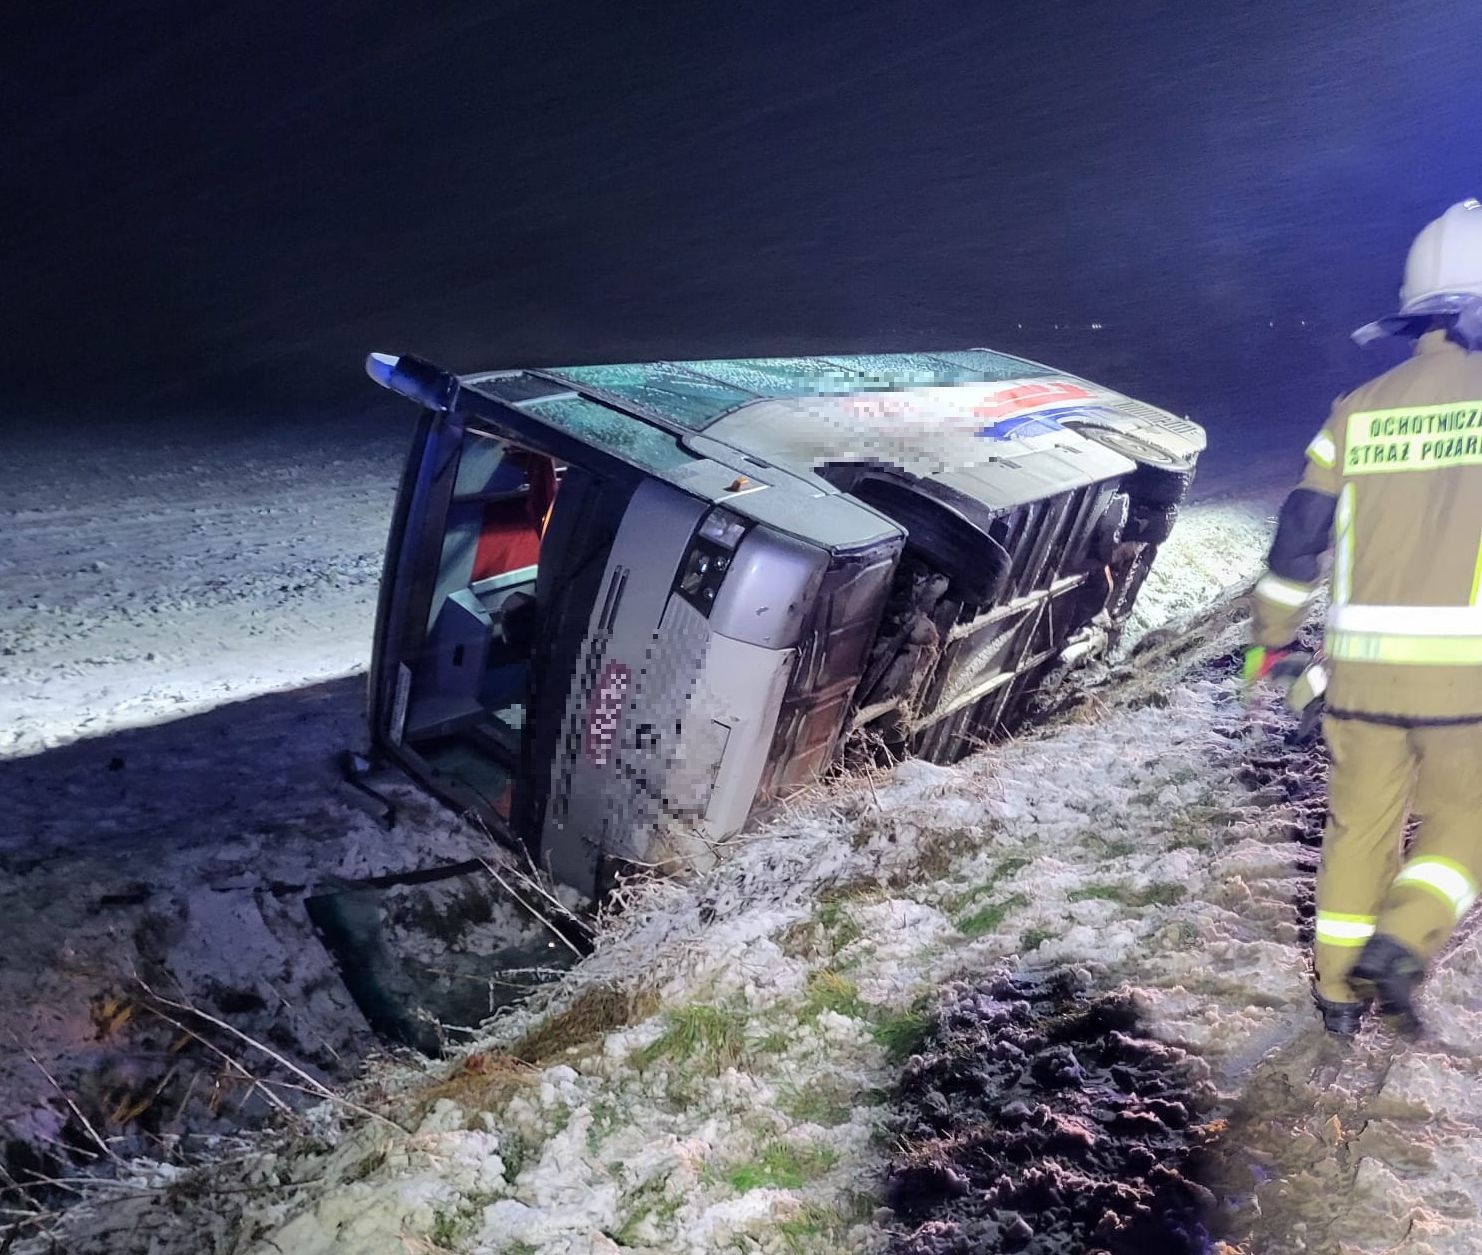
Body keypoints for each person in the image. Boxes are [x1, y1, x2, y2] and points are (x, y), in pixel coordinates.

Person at [1248, 199, 1482, 1036]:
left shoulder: (1358, 407)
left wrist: (1272, 648)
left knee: (1357, 828)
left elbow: (1298, 536)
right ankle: (1404, 938)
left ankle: (1337, 995)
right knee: (1466, 821)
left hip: (1358, 680)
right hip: (1469, 688)